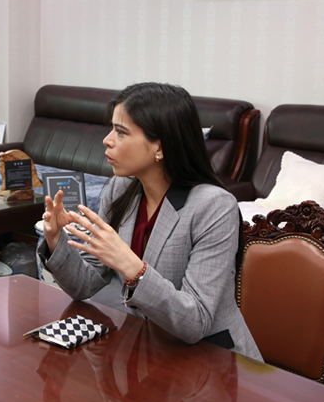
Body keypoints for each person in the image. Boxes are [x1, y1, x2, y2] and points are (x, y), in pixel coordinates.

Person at [38, 82, 261, 360]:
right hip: (149, 349)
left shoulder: (214, 207)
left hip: (212, 358)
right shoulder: (120, 189)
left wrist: (131, 266)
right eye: (111, 129)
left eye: (121, 132)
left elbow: (196, 322)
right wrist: (56, 239)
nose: (107, 140)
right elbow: (85, 284)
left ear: (160, 147)